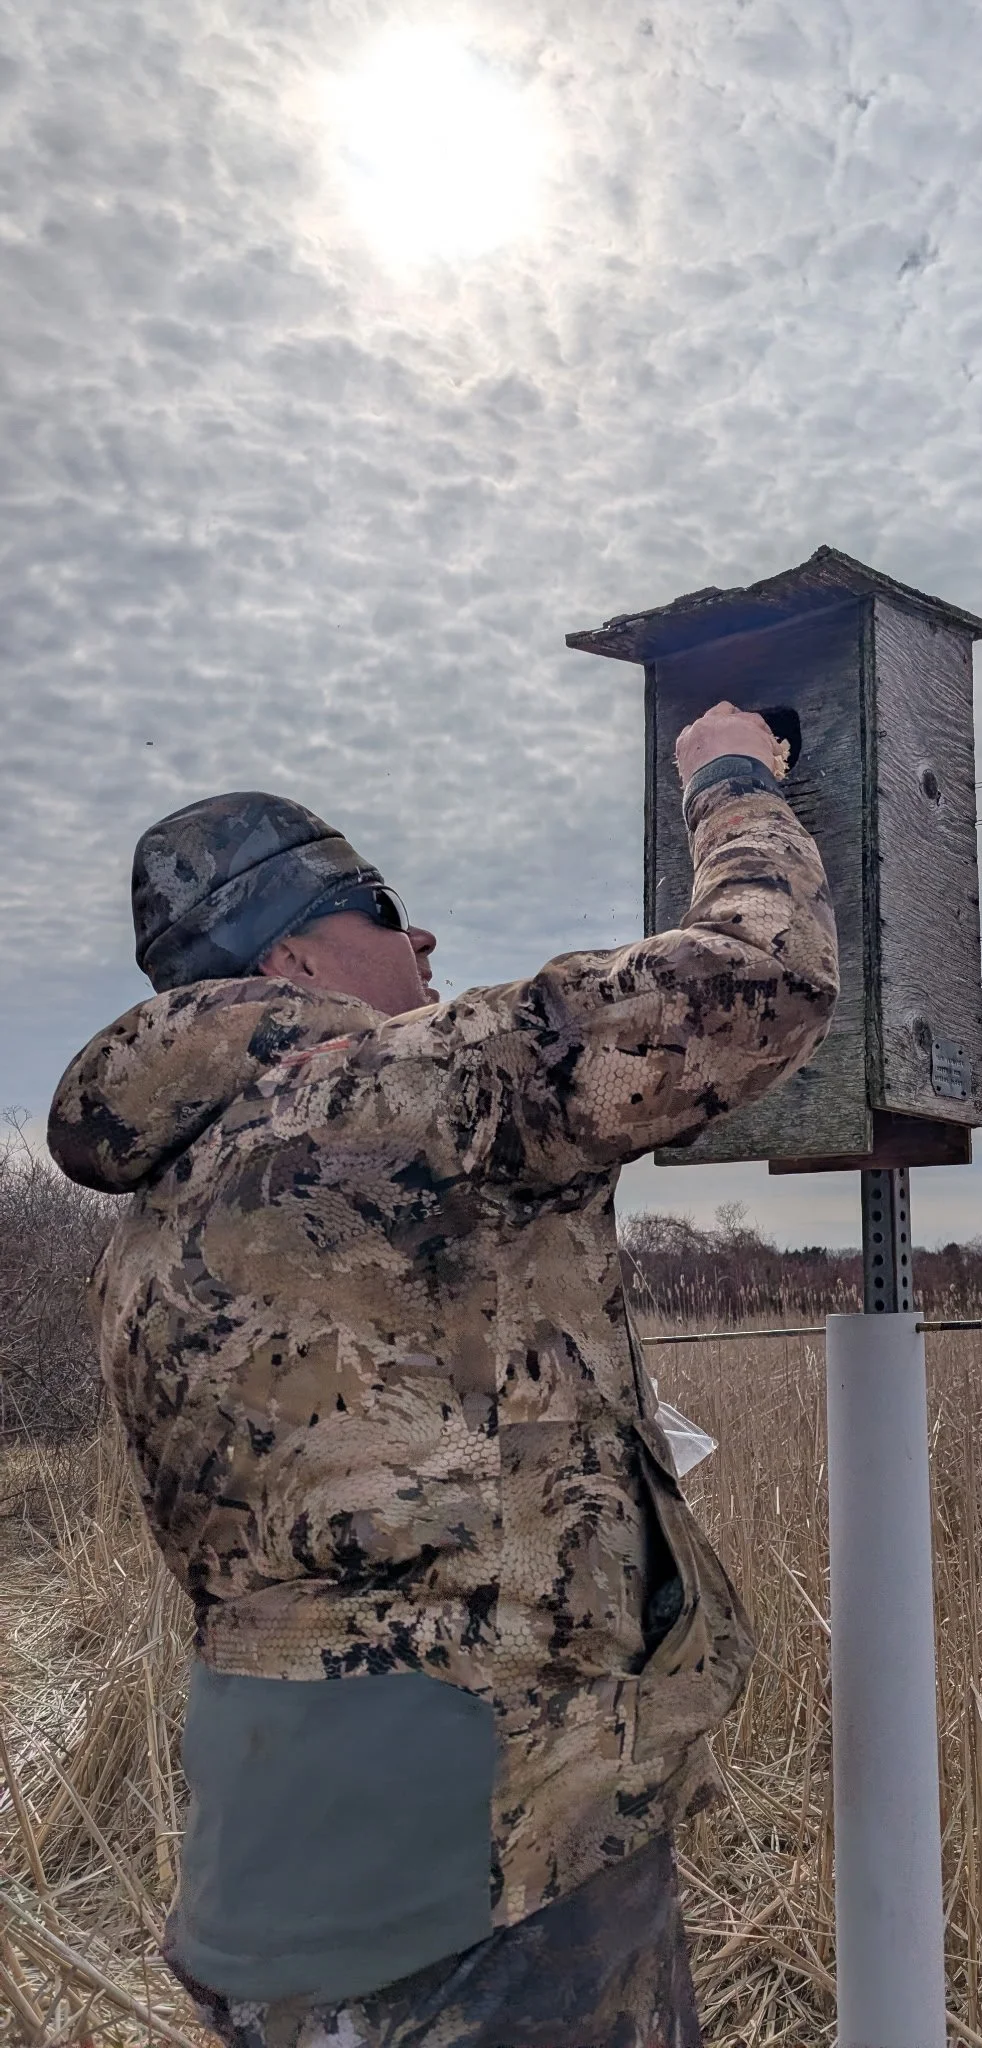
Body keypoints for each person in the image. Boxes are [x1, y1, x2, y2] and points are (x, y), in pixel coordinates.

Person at [48, 702, 838, 2048]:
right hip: (491, 1861)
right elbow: (748, 985)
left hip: (267, 1859)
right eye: (381, 903)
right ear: (292, 951)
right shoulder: (393, 1088)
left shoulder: (155, 1218)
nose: (419, 938)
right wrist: (733, 786)